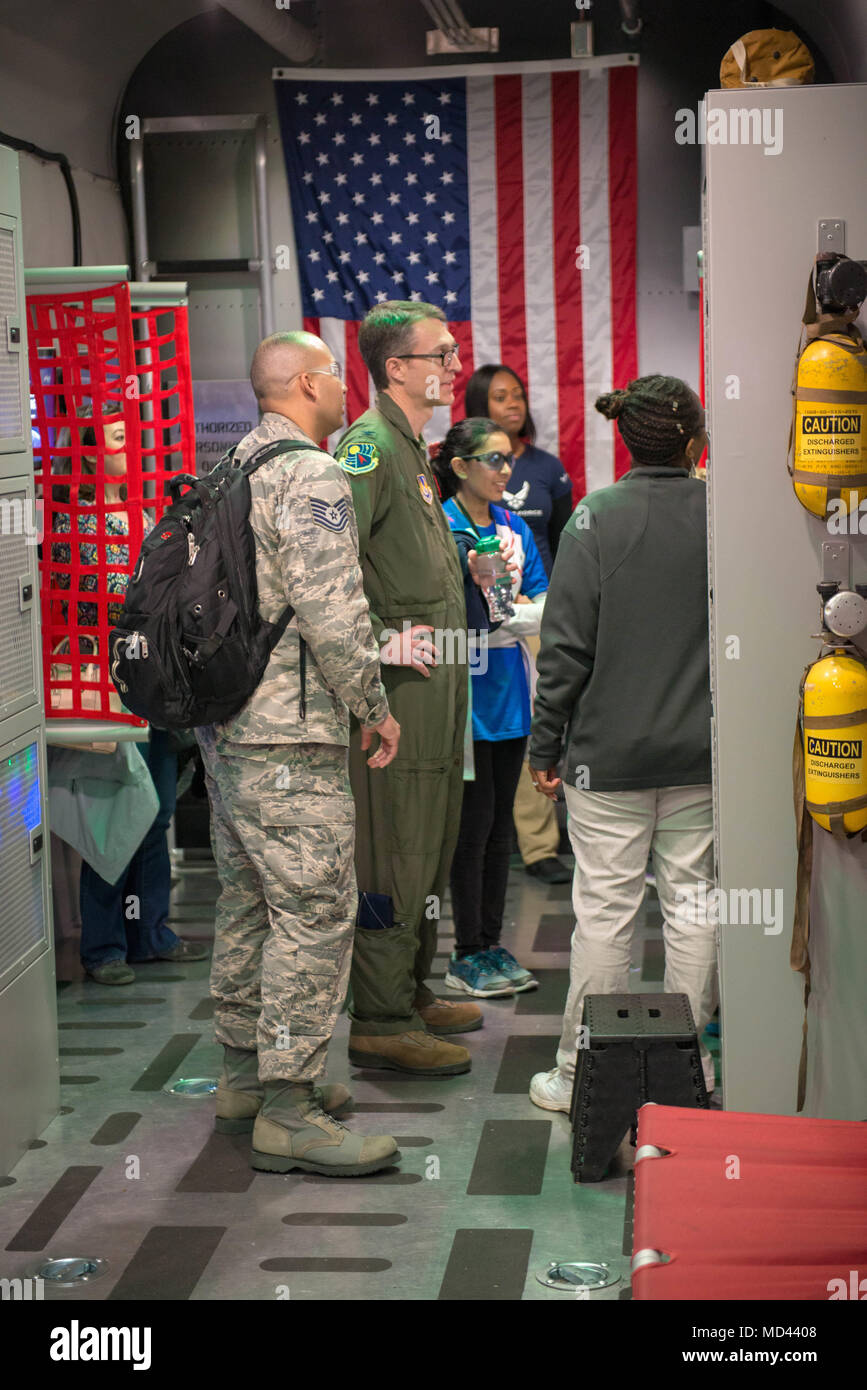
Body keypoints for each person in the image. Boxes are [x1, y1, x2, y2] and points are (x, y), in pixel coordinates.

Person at [196, 330, 403, 1176]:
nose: (346, 387)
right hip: (291, 729)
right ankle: (289, 1107)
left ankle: (243, 1077)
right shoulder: (312, 472)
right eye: (335, 373)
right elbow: (331, 609)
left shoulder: (227, 467)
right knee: (314, 914)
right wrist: (375, 705)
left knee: (248, 899)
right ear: (307, 383)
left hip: (226, 726)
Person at [527, 374, 718, 1111]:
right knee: (693, 910)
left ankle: (583, 1080)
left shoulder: (593, 518)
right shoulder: (723, 516)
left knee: (603, 916)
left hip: (603, 760)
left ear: (623, 437)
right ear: (697, 442)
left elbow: (564, 651)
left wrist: (544, 748)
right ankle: (687, 1079)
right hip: (700, 759)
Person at [334, 301, 485, 1075]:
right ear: (396, 367)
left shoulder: (408, 448)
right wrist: (377, 641)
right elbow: (323, 567)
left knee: (430, 832)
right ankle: (381, 1017)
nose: (455, 366)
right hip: (400, 689)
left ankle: (412, 988)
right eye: (442, 354)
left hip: (438, 685)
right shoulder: (367, 449)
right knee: (394, 845)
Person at [49, 402, 207, 983]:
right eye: (118, 435)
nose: (130, 444)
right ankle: (104, 945)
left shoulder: (148, 510)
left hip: (156, 680)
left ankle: (150, 930)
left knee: (158, 811)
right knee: (119, 813)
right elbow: (86, 603)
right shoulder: (76, 520)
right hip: (110, 684)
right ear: (91, 448)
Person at [434, 417, 547, 997]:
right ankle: (466, 952)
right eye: (493, 460)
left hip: (509, 688)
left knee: (502, 826)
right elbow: (440, 611)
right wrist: (505, 607)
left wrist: (515, 611)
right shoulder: (440, 524)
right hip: (461, 691)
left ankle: (491, 942)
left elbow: (544, 603)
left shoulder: (512, 525)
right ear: (460, 467)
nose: (506, 471)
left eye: (509, 460)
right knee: (471, 827)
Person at [465, 364, 573, 885]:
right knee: (477, 739)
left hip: (534, 609)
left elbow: (563, 532)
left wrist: (535, 605)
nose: (514, 404)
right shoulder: (451, 498)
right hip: (468, 634)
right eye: (501, 396)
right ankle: (470, 852)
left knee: (531, 727)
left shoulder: (548, 469)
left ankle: (539, 846)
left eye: (519, 395)